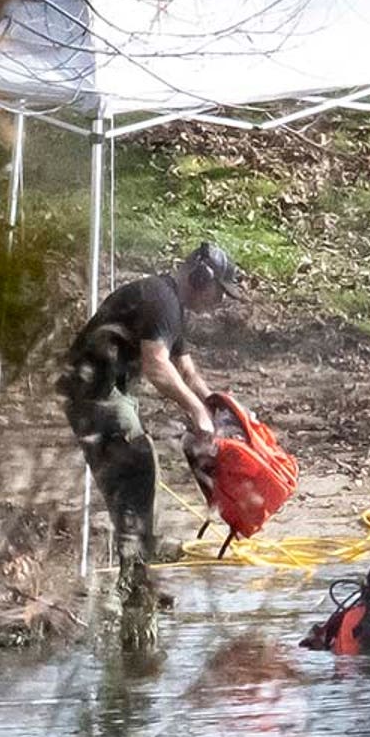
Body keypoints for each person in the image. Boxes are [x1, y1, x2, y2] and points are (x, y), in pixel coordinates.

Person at [57, 241, 244, 597]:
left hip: (105, 390)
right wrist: (195, 412)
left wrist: (215, 406)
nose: (219, 303)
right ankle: (136, 585)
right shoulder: (161, 300)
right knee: (139, 465)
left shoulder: (170, 304)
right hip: (94, 391)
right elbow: (156, 364)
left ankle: (136, 570)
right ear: (201, 278)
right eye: (219, 293)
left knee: (129, 480)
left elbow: (183, 366)